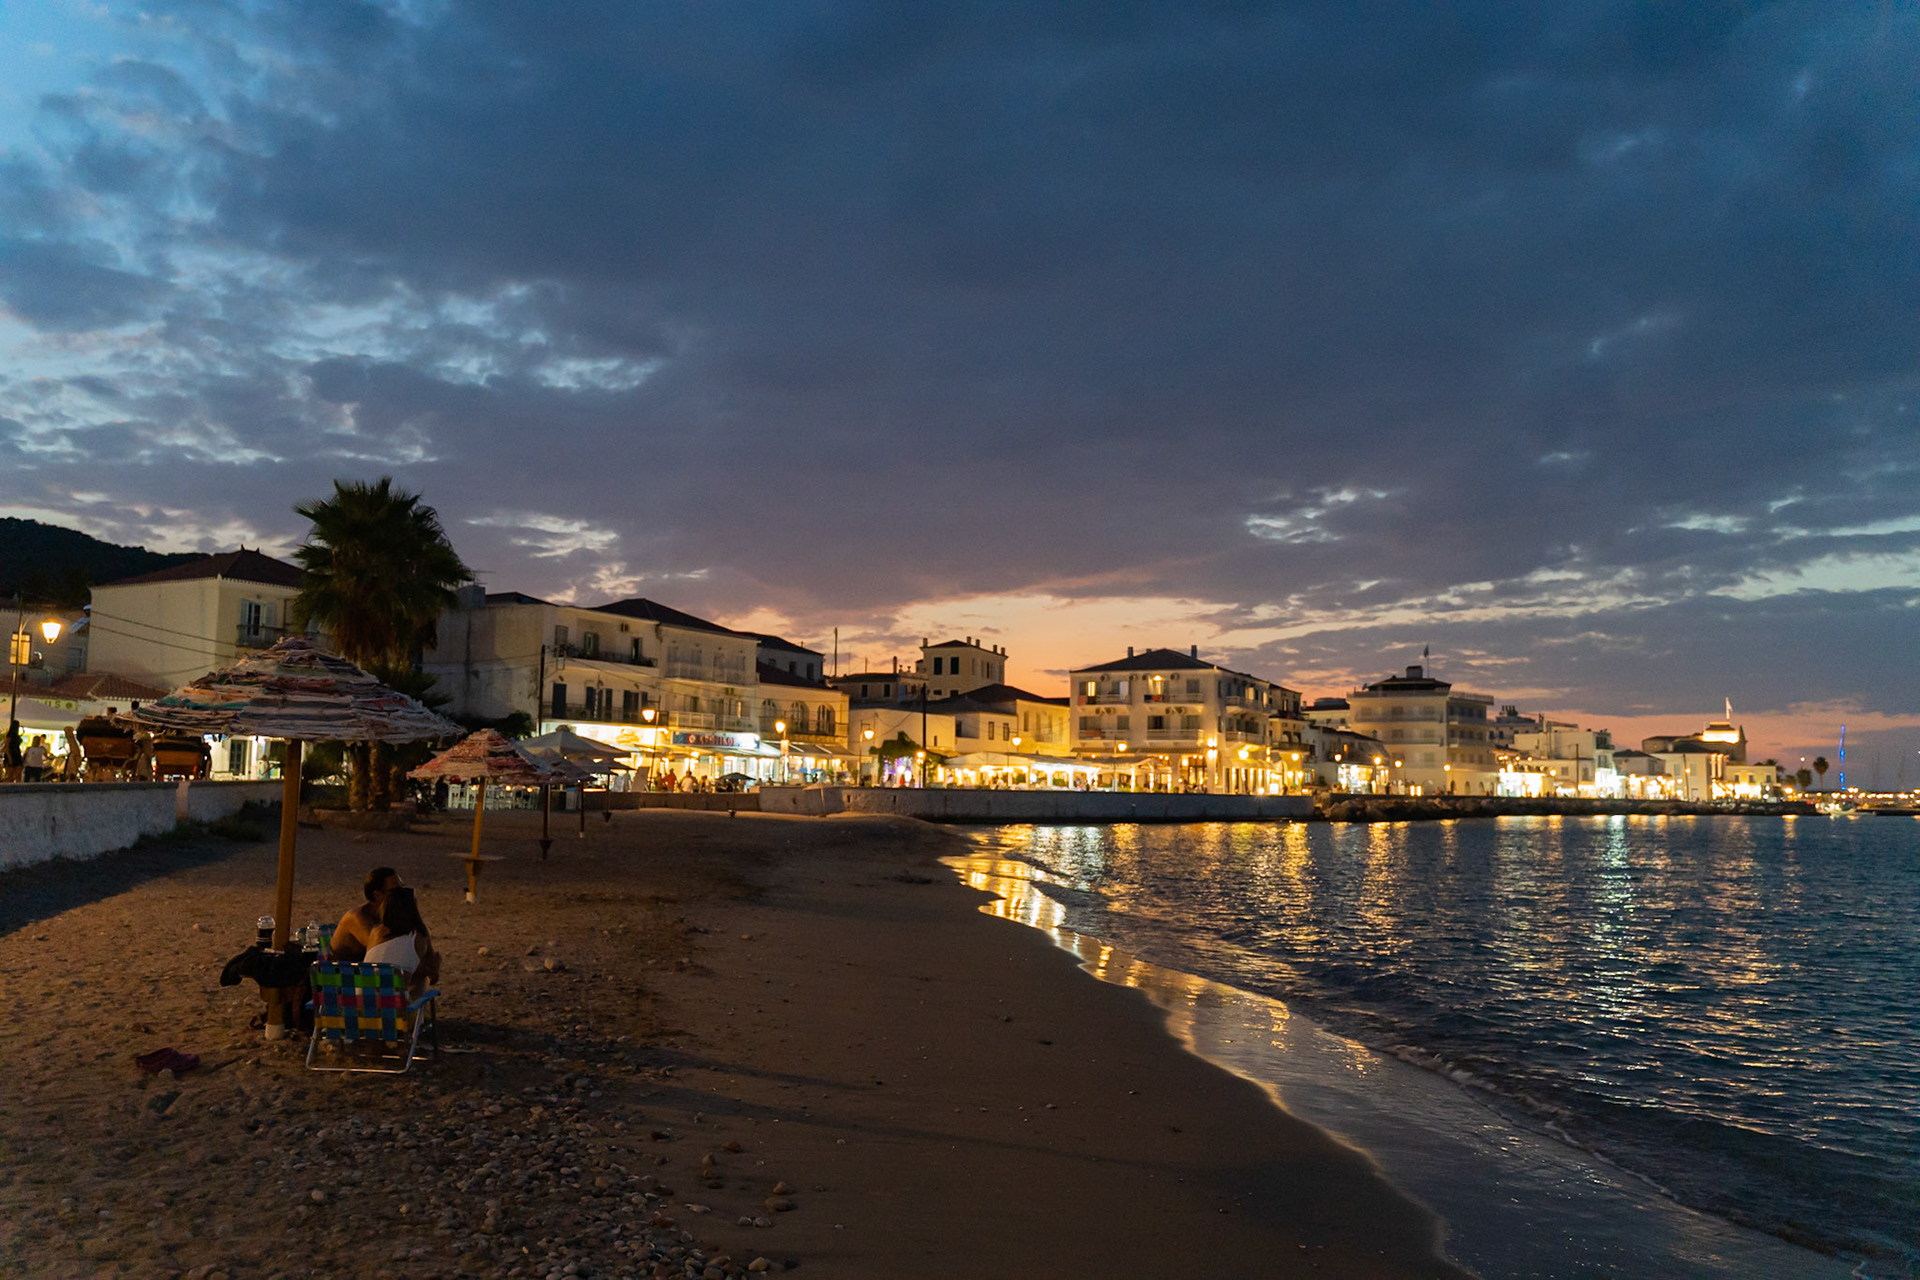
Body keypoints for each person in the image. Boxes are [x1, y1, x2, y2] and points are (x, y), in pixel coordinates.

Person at [363, 887, 440, 996]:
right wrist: (436, 962)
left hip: (362, 1006)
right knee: (418, 977)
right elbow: (432, 974)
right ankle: (417, 1012)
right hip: (395, 1009)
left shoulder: (375, 932)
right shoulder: (419, 935)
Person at [329, 866, 400, 962]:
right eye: (396, 891)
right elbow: (381, 950)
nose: (402, 894)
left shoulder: (388, 914)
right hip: (345, 973)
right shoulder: (358, 918)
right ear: (378, 895)